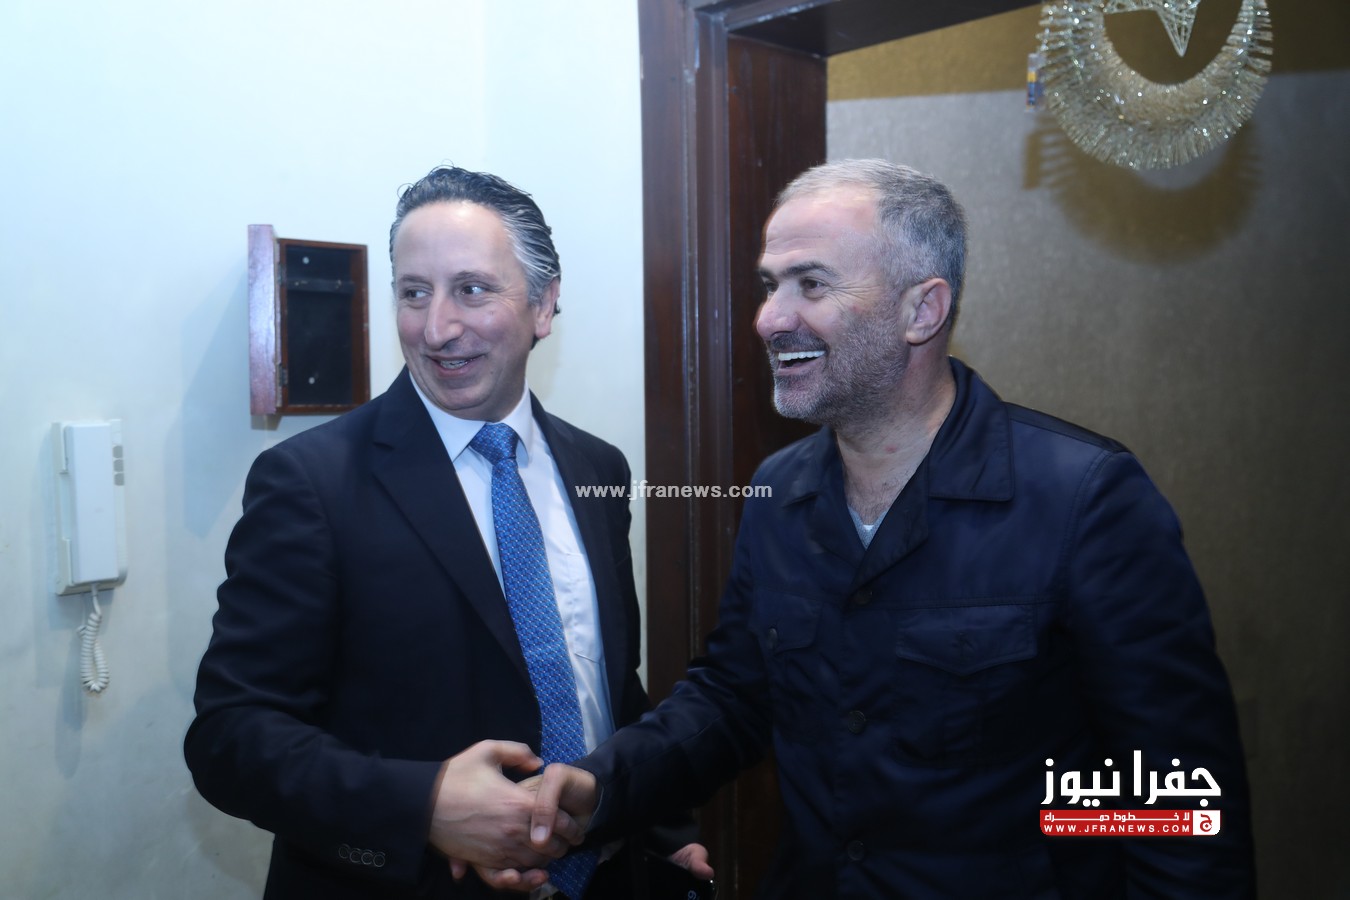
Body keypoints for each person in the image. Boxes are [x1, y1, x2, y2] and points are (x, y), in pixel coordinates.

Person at [525, 159, 1256, 898]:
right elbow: (735, 697)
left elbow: (1173, 797)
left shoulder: (1085, 497)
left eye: (812, 284)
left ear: (922, 310)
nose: (770, 318)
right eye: (770, 286)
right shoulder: (779, 490)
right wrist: (602, 786)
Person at [185, 165, 708, 899]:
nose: (436, 329)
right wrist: (423, 806)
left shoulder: (598, 467)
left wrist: (661, 830)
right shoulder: (311, 484)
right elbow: (232, 737)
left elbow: (604, 685)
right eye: (413, 293)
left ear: (543, 305)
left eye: (471, 289)